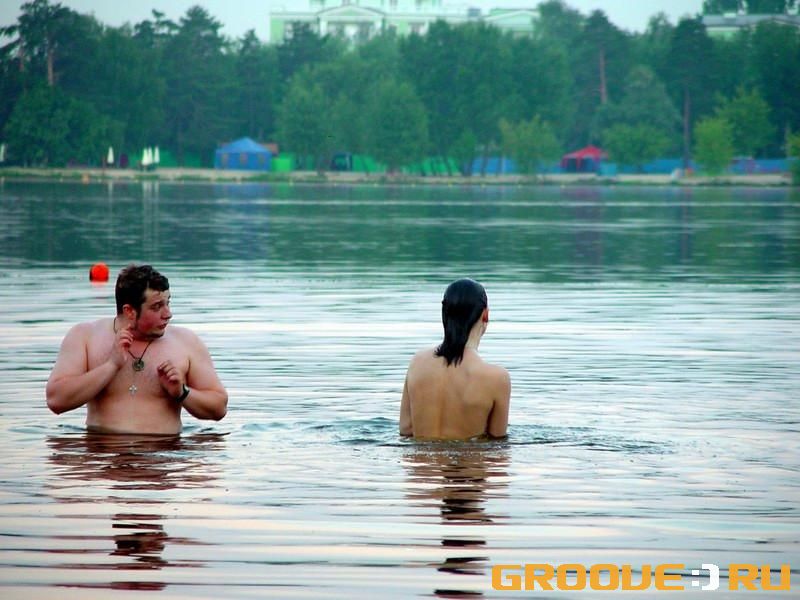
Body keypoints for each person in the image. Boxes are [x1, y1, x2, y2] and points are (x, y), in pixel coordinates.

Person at [46, 264, 228, 435]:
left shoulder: (186, 342)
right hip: (102, 451)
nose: (168, 314)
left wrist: (182, 392)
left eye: (168, 303)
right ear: (129, 311)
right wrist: (110, 366)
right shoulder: (85, 336)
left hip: (166, 451)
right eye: (157, 307)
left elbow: (219, 408)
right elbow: (56, 400)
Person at [400, 278, 510, 440]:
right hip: (469, 457)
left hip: (420, 456)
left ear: (444, 314)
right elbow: (497, 442)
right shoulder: (496, 378)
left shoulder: (417, 363)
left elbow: (405, 430)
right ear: (485, 315)